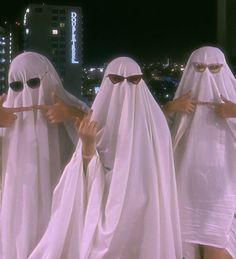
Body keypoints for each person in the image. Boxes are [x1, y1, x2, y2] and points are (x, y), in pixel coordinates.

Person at [29, 56, 182, 259]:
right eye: (117, 80)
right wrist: (88, 147)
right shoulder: (96, 124)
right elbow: (78, 181)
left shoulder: (157, 126)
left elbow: (163, 180)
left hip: (146, 215)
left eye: (133, 80)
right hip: (103, 213)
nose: (124, 87)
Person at [0, 51, 89, 259]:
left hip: (60, 204)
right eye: (16, 86)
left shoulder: (71, 107)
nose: (26, 93)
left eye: (33, 83)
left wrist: (72, 114)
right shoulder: (4, 114)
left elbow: (104, 140)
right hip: (16, 208)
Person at [171, 46, 236, 259]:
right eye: (199, 68)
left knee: (216, 246)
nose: (206, 75)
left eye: (215, 68)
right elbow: (150, 135)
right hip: (185, 191)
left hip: (223, 193)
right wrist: (171, 107)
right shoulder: (179, 105)